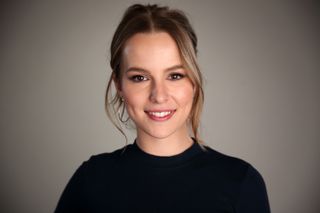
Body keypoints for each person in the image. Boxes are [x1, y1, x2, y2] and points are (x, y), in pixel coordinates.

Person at [55, 4, 270, 213]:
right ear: (119, 85)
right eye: (140, 77)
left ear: (193, 81)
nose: (159, 95)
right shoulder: (91, 180)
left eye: (175, 76)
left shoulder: (241, 182)